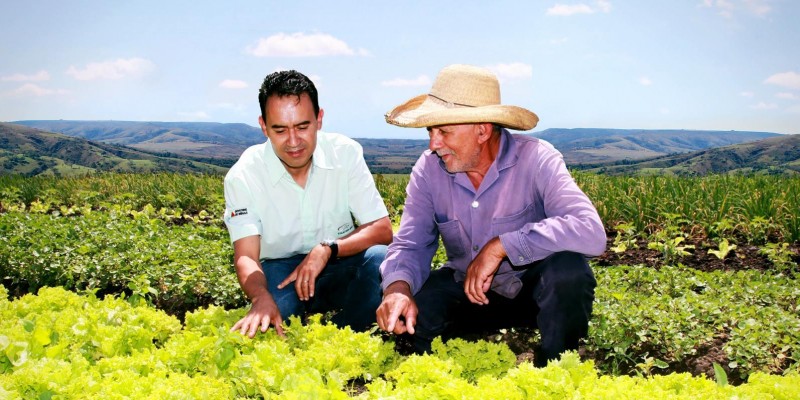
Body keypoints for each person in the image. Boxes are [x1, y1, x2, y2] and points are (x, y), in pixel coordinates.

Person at [375, 64, 606, 366]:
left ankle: (556, 368)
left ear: (483, 130)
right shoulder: (429, 168)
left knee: (569, 271)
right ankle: (445, 365)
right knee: (420, 307)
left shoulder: (537, 158)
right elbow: (411, 244)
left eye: (443, 131)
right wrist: (397, 289)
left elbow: (590, 231)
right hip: (465, 291)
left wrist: (502, 246)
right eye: (430, 131)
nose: (434, 143)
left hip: (530, 294)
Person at [223, 69, 392, 337]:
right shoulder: (243, 175)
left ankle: (341, 333)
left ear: (319, 119)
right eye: (280, 129)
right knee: (276, 311)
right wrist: (259, 298)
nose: (293, 142)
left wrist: (327, 249)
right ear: (263, 126)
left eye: (303, 127)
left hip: (339, 262)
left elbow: (382, 229)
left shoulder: (345, 153)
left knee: (381, 261)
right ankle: (336, 330)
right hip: (281, 270)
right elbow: (246, 255)